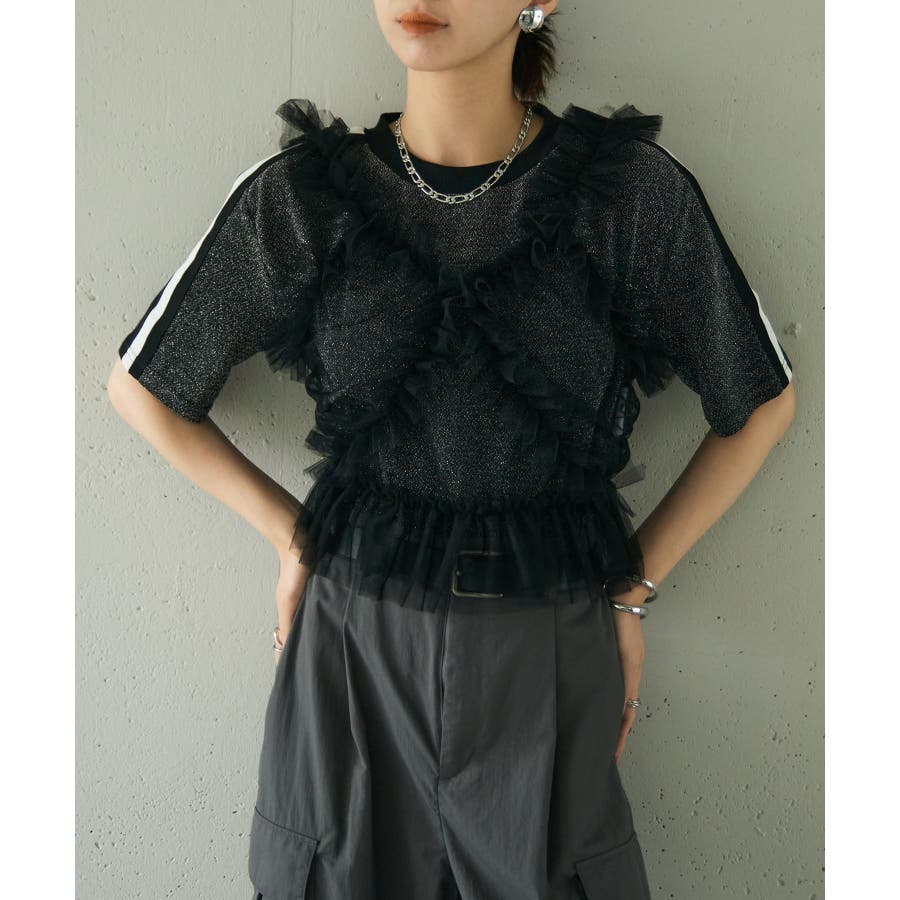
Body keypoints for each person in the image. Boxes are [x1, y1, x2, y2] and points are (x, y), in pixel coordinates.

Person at [107, 2, 797, 898]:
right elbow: (146, 386)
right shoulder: (307, 197)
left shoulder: (627, 195)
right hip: (352, 655)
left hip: (550, 651)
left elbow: (758, 399)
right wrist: (291, 535)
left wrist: (634, 587)